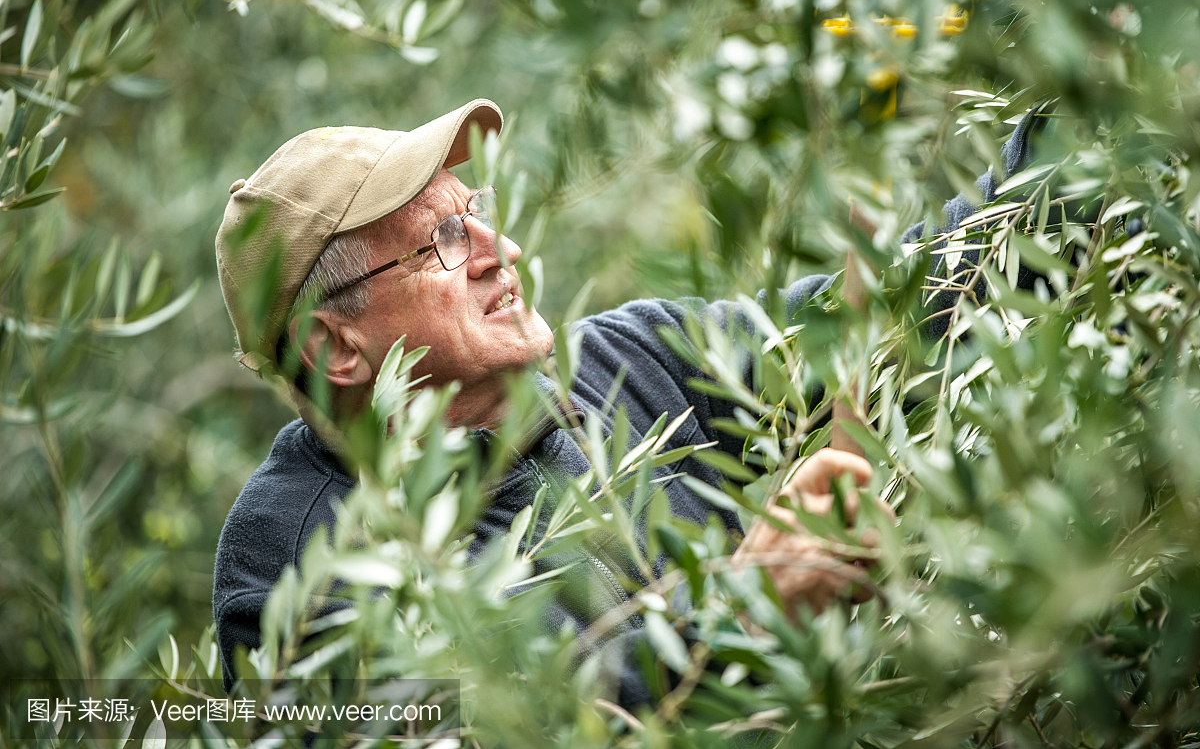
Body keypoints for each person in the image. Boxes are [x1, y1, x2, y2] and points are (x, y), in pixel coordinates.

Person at [212, 98, 1043, 704]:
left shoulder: (625, 360)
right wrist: (734, 620)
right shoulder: (288, 556)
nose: (503, 251)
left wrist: (1069, 137)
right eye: (443, 241)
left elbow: (914, 306)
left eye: (479, 215)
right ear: (335, 348)